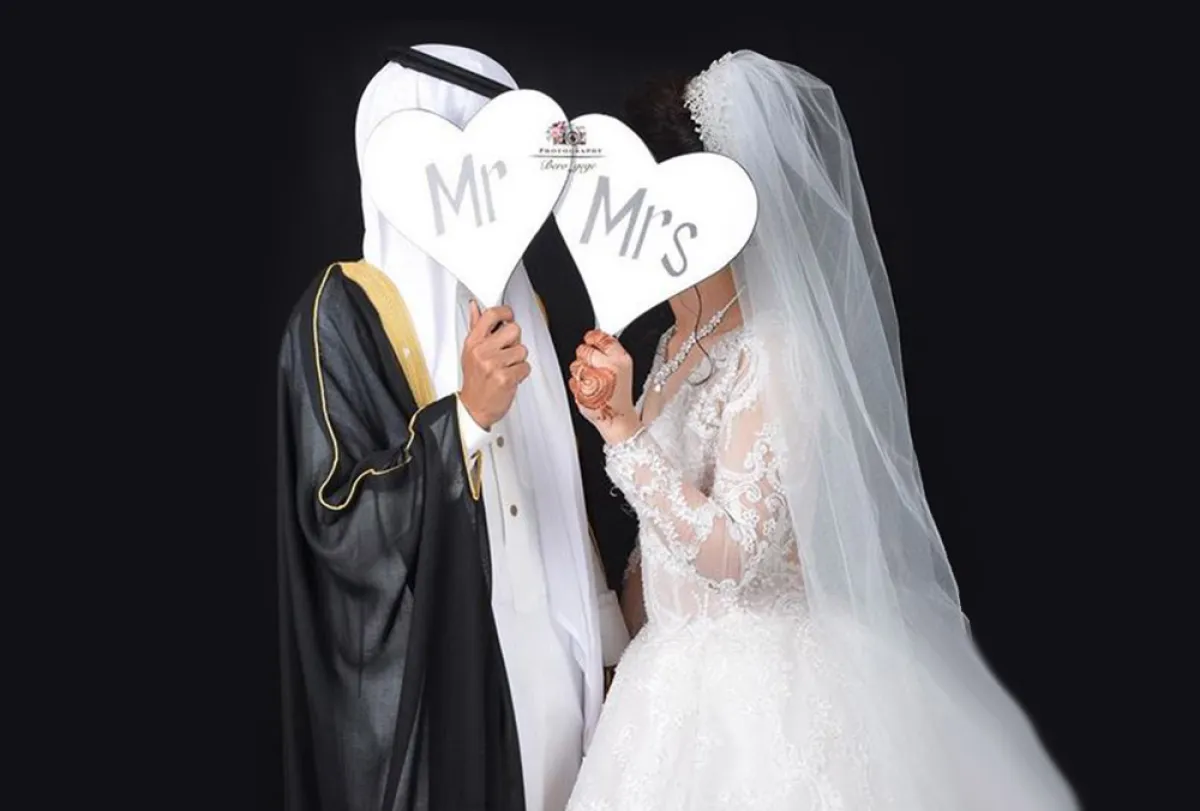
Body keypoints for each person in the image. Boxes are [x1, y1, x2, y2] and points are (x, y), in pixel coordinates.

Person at [563, 50, 1079, 810]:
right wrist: (617, 639)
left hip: (762, 692)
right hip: (664, 685)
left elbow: (735, 554)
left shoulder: (777, 351)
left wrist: (623, 434)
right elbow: (663, 535)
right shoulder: (673, 344)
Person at [276, 45, 628, 811]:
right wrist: (465, 417)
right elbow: (335, 521)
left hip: (557, 660)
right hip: (450, 678)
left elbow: (559, 485)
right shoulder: (339, 312)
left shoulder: (526, 306)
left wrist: (607, 638)